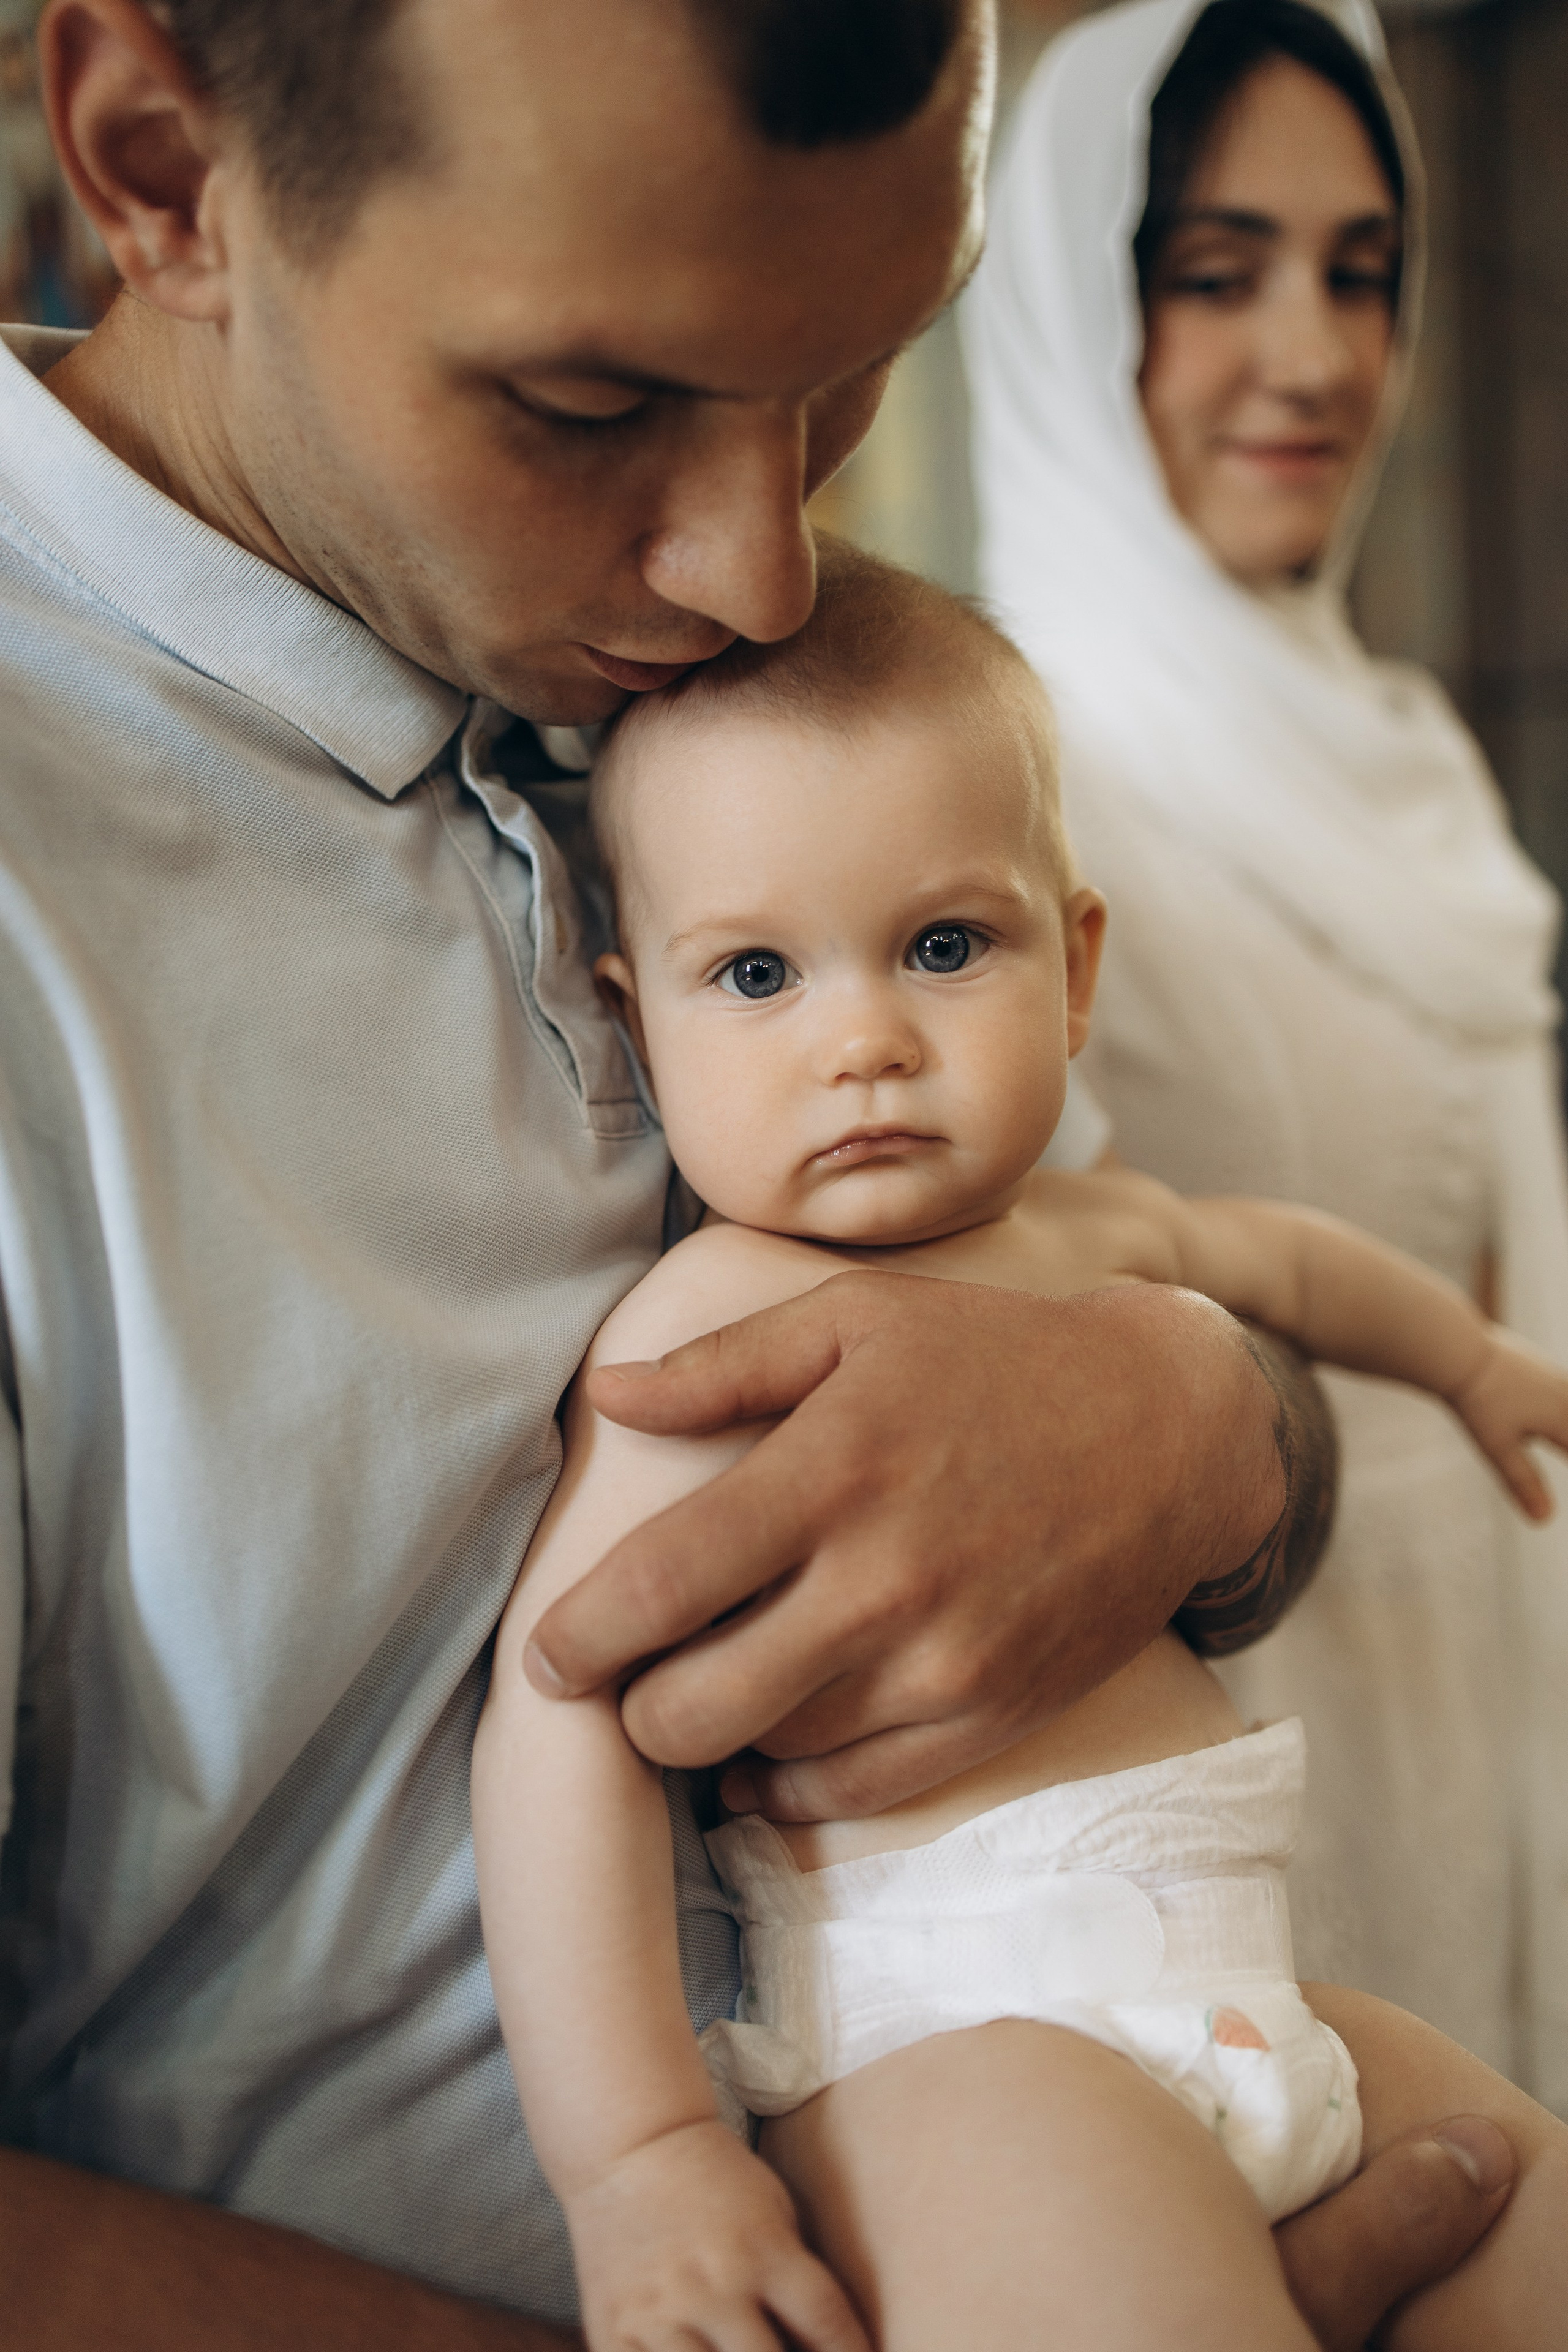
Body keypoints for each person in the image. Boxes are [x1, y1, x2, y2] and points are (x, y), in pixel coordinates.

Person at [0, 0, 1528, 2343]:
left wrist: (1208, 1418)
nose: (759, 573)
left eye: (846, 376)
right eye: (592, 405)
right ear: (158, 164)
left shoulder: (749, 704)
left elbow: (1123, 1332)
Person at [473, 538, 1568, 2352]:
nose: (869, 1043)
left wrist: (1471, 1363)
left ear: (1073, 970)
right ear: (634, 1018)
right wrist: (645, 2158)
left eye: (942, 945)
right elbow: (558, 1717)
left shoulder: (1100, 1229)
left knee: (1534, 2210)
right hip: (962, 2052)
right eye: (757, 977)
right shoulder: (706, 1331)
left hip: (1259, 2000)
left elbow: (1287, 1264)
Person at [965, 0, 1568, 2103]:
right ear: (1062, 301)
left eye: (1360, 273)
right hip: (1247, 1759)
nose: (1311, 357)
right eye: (1214, 276)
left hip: (1503, 1687)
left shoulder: (1407, 760)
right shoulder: (1007, 799)